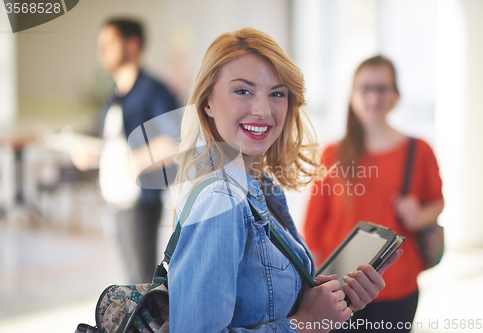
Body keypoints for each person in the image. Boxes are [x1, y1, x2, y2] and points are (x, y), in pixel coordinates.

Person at [167, 29, 402, 333]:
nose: (263, 110)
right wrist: (304, 323)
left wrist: (330, 301)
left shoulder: (260, 188)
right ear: (207, 102)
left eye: (277, 93)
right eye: (243, 91)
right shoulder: (221, 201)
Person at [303, 56, 444, 332]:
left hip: (397, 286)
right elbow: (312, 225)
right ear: (352, 95)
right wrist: (316, 285)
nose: (373, 97)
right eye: (364, 88)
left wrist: (418, 215)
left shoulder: (419, 150)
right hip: (340, 289)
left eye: (382, 88)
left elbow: (437, 202)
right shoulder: (333, 154)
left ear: (395, 95)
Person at [71, 18, 179, 283]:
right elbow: (109, 143)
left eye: (109, 44)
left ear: (132, 45)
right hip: (115, 201)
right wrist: (91, 154)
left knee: (140, 281)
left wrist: (134, 160)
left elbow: (177, 138)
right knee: (129, 278)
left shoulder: (154, 92)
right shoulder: (114, 95)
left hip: (139, 202)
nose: (101, 53)